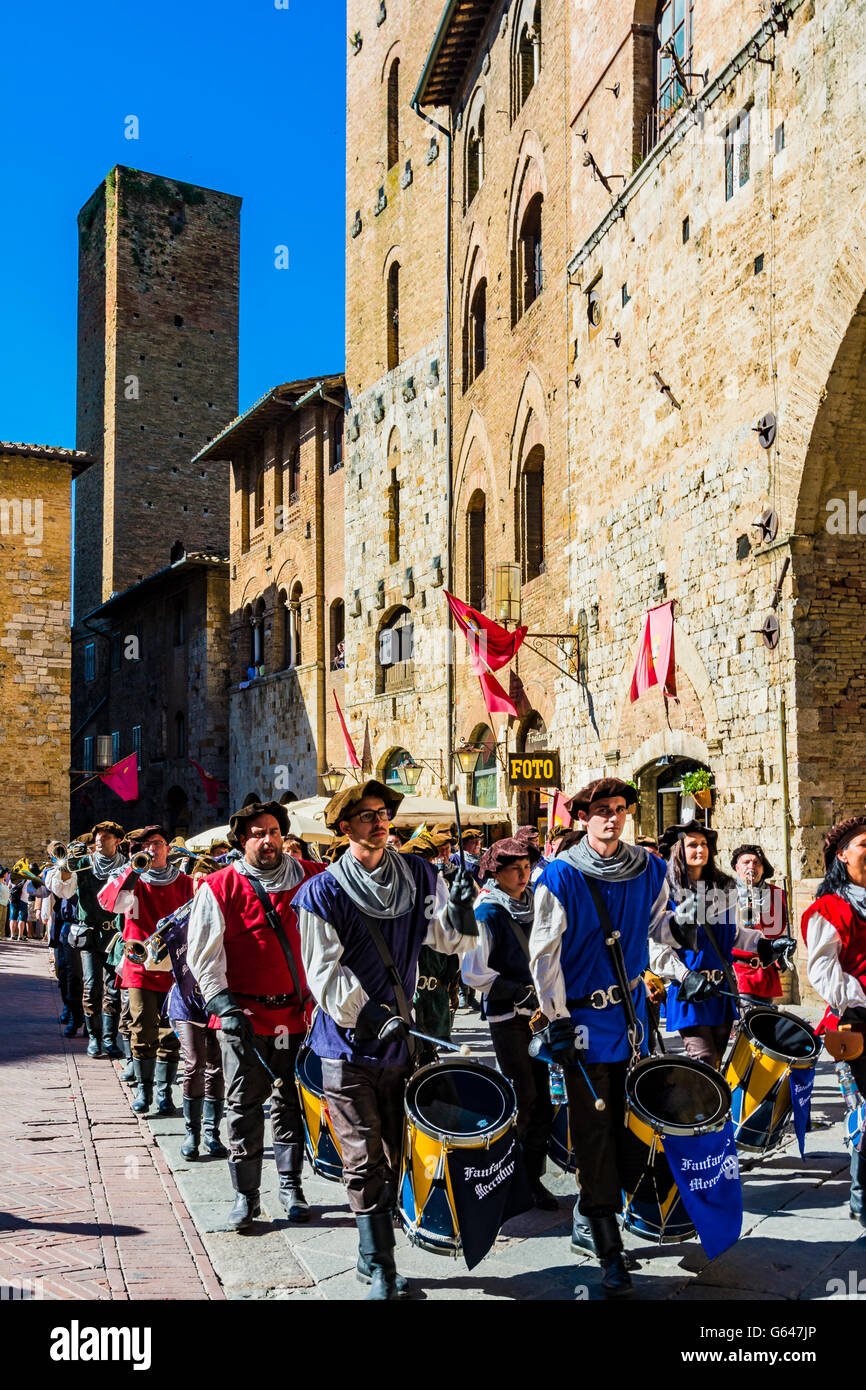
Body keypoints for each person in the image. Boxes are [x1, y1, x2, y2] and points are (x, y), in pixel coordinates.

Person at [293, 778, 479, 1300]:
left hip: (405, 1042)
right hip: (346, 1046)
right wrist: (366, 1014)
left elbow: (448, 941)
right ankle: (380, 1263)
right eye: (368, 815)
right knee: (361, 1154)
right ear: (344, 827)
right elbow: (322, 974)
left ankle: (372, 1245)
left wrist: (462, 909)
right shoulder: (321, 892)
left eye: (383, 812)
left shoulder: (419, 874)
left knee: (396, 1147)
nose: (380, 821)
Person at [529, 778, 681, 1297]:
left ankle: (601, 1215)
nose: (612, 818)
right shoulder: (560, 876)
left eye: (620, 809)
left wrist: (683, 972)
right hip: (585, 1026)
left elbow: (658, 935)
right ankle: (606, 1242)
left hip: (634, 1020)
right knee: (594, 1134)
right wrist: (556, 1017)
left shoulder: (650, 868)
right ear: (582, 817)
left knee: (631, 1127)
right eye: (600, 811)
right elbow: (544, 955)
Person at [186, 801, 322, 1231]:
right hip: (244, 1016)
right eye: (258, 833)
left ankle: (291, 1186)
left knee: (293, 1101)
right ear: (242, 840)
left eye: (274, 831)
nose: (268, 840)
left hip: (299, 1016)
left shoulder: (313, 878)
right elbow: (203, 954)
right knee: (243, 1105)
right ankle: (246, 1197)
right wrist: (222, 1004)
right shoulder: (219, 886)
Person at [461, 836, 557, 1211]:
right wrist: (515, 991)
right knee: (524, 1096)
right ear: (495, 873)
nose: (523, 874)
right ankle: (509, 1178)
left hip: (544, 1013)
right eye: (514, 869)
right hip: (510, 1017)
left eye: (526, 867)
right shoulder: (486, 912)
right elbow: (473, 971)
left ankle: (532, 1178)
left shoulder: (538, 903)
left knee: (546, 1100)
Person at [653, 821, 788, 1070]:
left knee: (716, 1062)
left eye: (704, 844)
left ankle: (713, 1109)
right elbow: (657, 946)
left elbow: (734, 934)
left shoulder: (723, 888)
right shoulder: (664, 890)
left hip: (721, 990)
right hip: (690, 990)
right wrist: (683, 975)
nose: (700, 849)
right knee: (702, 1059)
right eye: (692, 844)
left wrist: (765, 945)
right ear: (677, 849)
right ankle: (700, 1109)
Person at [98, 827, 192, 1115]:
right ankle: (144, 1089)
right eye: (146, 846)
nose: (152, 850)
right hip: (139, 963)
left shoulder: (186, 883)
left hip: (174, 965)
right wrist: (132, 871)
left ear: (167, 847)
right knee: (141, 1026)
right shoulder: (129, 880)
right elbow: (109, 903)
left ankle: (165, 1093)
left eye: (157, 844)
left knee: (170, 1030)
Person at [802, 816, 866, 1225]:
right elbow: (823, 973)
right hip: (855, 1025)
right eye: (865, 844)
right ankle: (863, 1196)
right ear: (842, 855)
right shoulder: (829, 908)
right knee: (865, 1112)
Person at [166, 855, 227, 1161]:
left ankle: (212, 1133)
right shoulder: (178, 917)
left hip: (217, 999)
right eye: (197, 879)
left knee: (216, 1067)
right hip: (187, 1000)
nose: (201, 884)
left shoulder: (227, 915)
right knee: (194, 1063)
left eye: (207, 880)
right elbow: (160, 960)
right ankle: (191, 1134)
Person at [61, 823, 127, 1057]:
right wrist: (66, 864)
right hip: (89, 933)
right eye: (98, 837)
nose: (99, 841)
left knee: (113, 989)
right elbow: (64, 890)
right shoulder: (84, 863)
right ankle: (94, 1039)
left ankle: (110, 1040)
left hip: (115, 934)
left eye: (106, 837)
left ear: (116, 841)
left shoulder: (126, 865)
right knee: (91, 987)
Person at [730, 844, 789, 1007]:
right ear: (737, 867)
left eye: (756, 863)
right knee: (747, 1019)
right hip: (738, 970)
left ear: (763, 868)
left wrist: (782, 952)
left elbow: (779, 931)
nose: (752, 867)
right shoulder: (726, 893)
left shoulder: (776, 894)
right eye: (746, 862)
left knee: (764, 1021)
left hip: (765, 970)